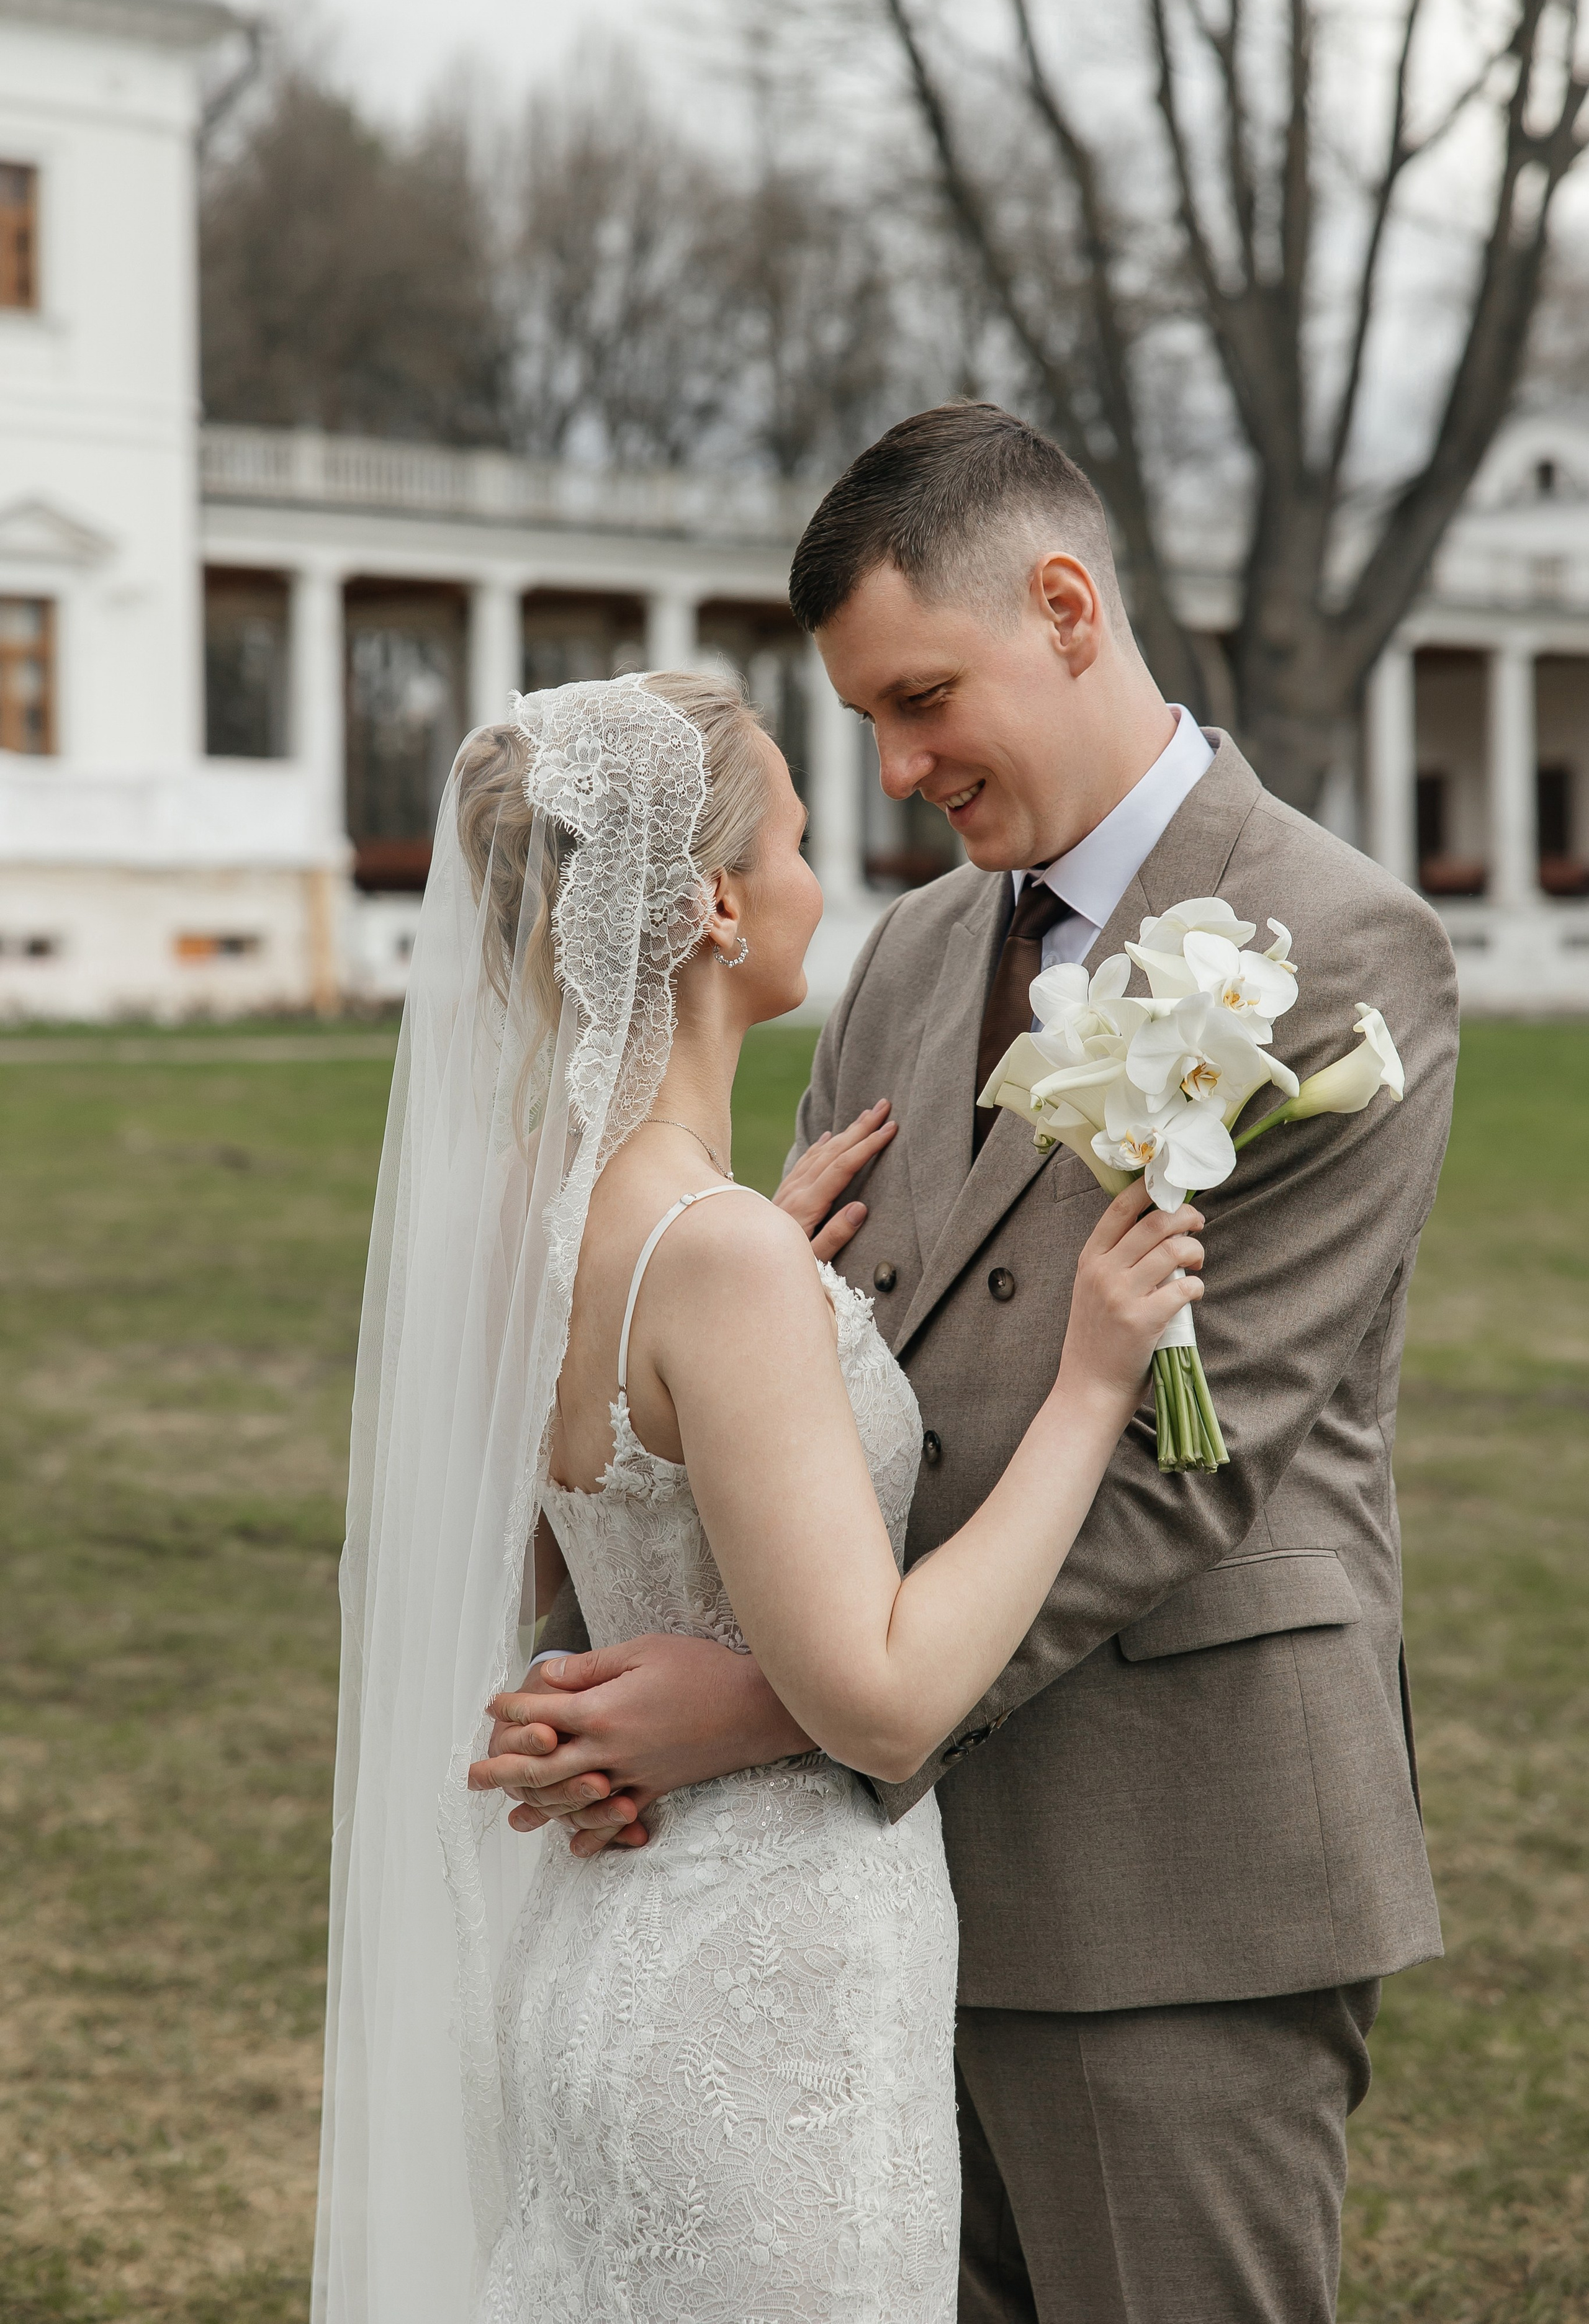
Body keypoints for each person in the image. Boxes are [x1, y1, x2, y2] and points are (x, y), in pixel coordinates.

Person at [488, 405, 1459, 2323]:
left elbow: (1193, 1464)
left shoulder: (1343, 950)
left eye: (923, 699)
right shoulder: (910, 959)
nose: (897, 767)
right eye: (864, 718)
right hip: (849, 1916)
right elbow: (759, 1365)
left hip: (1165, 1871)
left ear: (1067, 608)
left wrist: (765, 1707)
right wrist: (595, 1686)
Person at [313, 662, 1205, 2324]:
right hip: (770, 1991)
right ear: (718, 905)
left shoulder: (527, 1217)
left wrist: (762, 1273)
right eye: (794, 842)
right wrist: (1093, 1383)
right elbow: (883, 1697)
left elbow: (526, 1558)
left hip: (599, 1944)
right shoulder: (717, 1257)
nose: (819, 877)